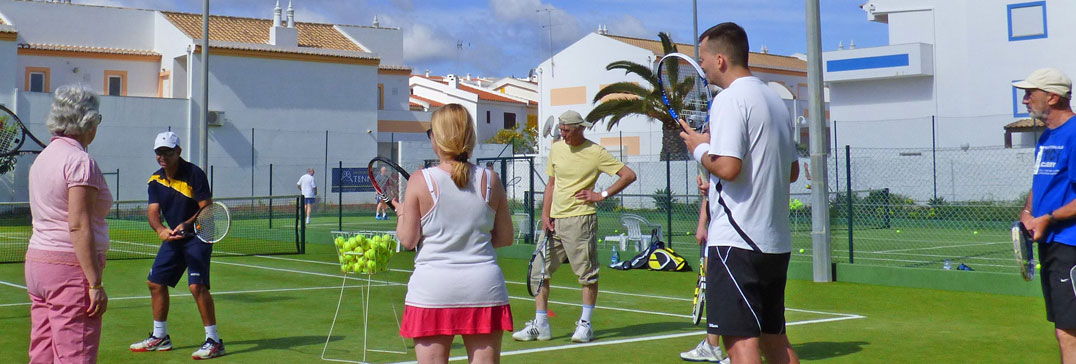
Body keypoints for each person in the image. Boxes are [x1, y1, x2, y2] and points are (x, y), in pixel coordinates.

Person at [679, 22, 800, 364]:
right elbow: (790, 171)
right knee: (774, 338)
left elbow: (729, 167)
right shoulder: (774, 100)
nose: (699, 66)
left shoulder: (730, 99)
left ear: (720, 59)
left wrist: (700, 149)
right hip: (774, 243)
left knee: (740, 343)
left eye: (701, 58)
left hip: (737, 242)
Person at [396, 103, 515, 363]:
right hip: (484, 287)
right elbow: (505, 237)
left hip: (432, 289)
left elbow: (407, 240)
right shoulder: (490, 179)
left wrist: (403, 213)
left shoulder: (420, 180)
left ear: (437, 138)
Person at [513, 110, 637, 343]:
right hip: (554, 223)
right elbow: (551, 183)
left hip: (581, 220)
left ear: (580, 128)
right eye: (561, 130)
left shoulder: (596, 152)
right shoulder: (557, 148)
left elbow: (628, 175)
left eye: (567, 131)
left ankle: (585, 325)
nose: (563, 135)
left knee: (587, 276)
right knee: (539, 272)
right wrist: (545, 214)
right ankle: (540, 325)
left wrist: (601, 194)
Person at [25, 85, 110, 363]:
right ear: (89, 122)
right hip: (69, 269)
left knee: (43, 353)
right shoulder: (80, 162)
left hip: (38, 265)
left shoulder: (42, 160)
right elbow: (79, 225)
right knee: (76, 354)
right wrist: (95, 283)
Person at [130, 131, 225, 360]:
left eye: (167, 152)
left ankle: (214, 341)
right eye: (159, 152)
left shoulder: (194, 174)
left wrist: (186, 224)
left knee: (196, 287)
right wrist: (161, 230)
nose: (162, 156)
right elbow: (153, 212)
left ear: (178, 152)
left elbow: (207, 209)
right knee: (155, 283)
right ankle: (160, 337)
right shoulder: (155, 180)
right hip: (174, 239)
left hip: (199, 237)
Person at [1014, 67, 1076, 364]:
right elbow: (1041, 184)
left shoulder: (1074, 134)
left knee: (1069, 331)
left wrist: (1047, 218)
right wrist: (1029, 213)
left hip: (1070, 245)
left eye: (1030, 94)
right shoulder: (1047, 137)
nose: (1025, 100)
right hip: (1052, 244)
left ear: (1052, 97)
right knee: (1063, 329)